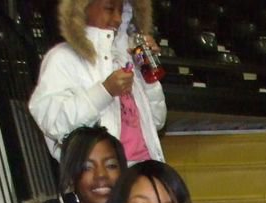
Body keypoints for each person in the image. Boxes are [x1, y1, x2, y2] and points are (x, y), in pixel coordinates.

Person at [29, 0, 166, 163]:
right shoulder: (62, 57)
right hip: (103, 178)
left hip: (145, 172)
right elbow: (53, 122)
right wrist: (104, 92)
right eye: (109, 8)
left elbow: (158, 121)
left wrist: (148, 72)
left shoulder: (128, 56)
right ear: (82, 9)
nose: (118, 19)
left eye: (122, 11)